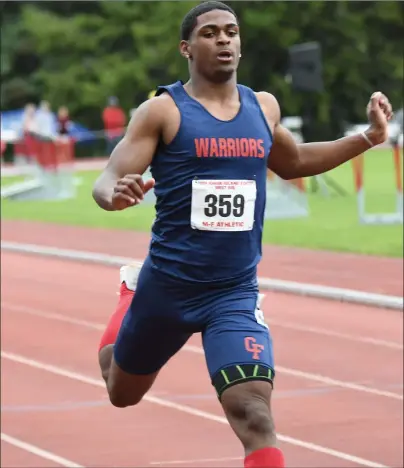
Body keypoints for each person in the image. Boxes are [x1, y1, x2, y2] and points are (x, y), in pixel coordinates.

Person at [92, 2, 393, 467]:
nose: (224, 40)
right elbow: (107, 179)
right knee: (121, 391)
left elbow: (293, 162)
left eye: (231, 31)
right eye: (210, 33)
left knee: (254, 415)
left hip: (232, 292)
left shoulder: (263, 106)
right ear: (186, 48)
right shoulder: (162, 111)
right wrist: (115, 193)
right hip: (167, 289)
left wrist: (368, 138)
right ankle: (130, 295)